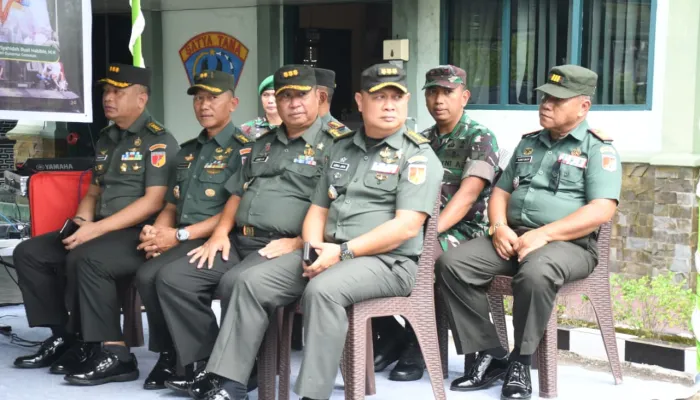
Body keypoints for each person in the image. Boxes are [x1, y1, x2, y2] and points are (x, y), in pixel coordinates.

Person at [193, 63, 443, 400]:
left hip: (388, 262)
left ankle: (313, 394)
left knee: (323, 290)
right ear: (360, 101)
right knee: (249, 281)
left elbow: (406, 227)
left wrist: (341, 252)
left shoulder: (417, 155)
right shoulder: (341, 147)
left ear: (406, 100)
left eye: (396, 98)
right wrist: (312, 251)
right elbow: (318, 210)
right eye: (379, 97)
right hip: (329, 252)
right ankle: (230, 383)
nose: (389, 106)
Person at [153, 64, 353, 397]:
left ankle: (232, 379)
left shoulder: (338, 146)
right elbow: (237, 192)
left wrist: (298, 241)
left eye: (300, 95)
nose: (293, 103)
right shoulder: (262, 143)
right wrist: (220, 233)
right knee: (175, 278)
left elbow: (341, 208)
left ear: (318, 98)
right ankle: (206, 365)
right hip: (241, 239)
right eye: (284, 96)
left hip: (290, 247)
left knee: (240, 281)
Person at [436, 64, 622, 399]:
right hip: (514, 237)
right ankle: (492, 353)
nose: (546, 104)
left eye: (557, 100)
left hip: (570, 246)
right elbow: (501, 192)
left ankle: (521, 362)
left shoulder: (598, 149)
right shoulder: (529, 144)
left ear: (583, 106)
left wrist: (545, 234)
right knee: (452, 264)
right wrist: (498, 226)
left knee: (536, 274)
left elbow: (602, 209)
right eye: (545, 97)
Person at [12, 63, 179, 384]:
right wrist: (80, 223)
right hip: (100, 228)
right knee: (30, 253)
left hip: (138, 234)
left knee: (86, 258)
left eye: (118, 92)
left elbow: (154, 201)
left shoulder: (159, 141)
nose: (108, 98)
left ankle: (116, 354)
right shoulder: (107, 138)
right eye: (106, 91)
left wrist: (95, 231)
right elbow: (94, 191)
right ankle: (66, 337)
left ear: (141, 99)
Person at [134, 70, 249, 390]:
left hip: (223, 240)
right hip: (184, 237)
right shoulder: (187, 151)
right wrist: (157, 233)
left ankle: (205, 361)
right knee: (146, 274)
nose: (204, 105)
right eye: (199, 98)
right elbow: (171, 205)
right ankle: (171, 354)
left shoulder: (244, 150)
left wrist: (179, 236)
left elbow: (235, 211)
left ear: (233, 103)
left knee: (172, 278)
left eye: (213, 98)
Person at [387, 65, 501, 381]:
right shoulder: (420, 140)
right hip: (419, 226)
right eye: (433, 92)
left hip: (466, 231)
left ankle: (417, 343)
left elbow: (467, 197)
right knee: (372, 254)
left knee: (420, 257)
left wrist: (425, 233)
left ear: (464, 97)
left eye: (448, 92)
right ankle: (393, 335)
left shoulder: (480, 137)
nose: (439, 100)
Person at [240, 75, 282, 139]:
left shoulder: (295, 127)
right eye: (266, 95)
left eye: (275, 95)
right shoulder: (246, 129)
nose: (270, 101)